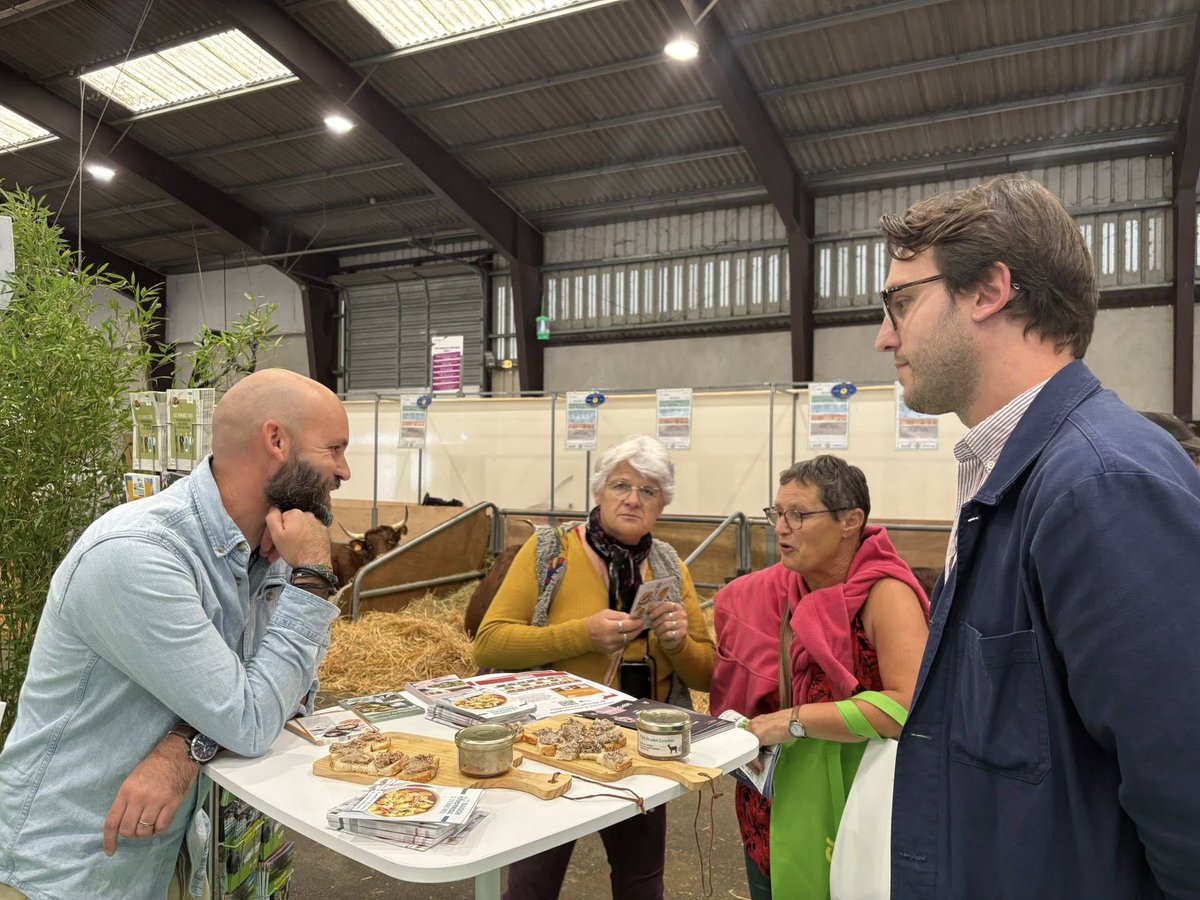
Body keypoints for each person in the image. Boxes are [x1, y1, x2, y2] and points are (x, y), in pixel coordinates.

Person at [873, 174, 1200, 897]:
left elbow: (1187, 798)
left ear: (990, 290)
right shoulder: (1019, 476)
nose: (884, 335)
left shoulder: (1100, 485)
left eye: (901, 302)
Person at [0, 368, 351, 900]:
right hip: (70, 869)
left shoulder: (273, 548)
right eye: (335, 449)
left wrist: (186, 744)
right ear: (276, 441)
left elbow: (293, 697)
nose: (344, 471)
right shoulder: (138, 555)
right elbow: (252, 720)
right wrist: (314, 579)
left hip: (175, 856)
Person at [473, 434, 714, 900]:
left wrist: (678, 643)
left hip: (641, 746)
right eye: (621, 485)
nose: (633, 499)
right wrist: (582, 635)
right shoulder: (551, 550)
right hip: (551, 745)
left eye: (648, 491)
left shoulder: (667, 563)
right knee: (533, 885)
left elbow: (705, 675)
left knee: (642, 883)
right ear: (599, 492)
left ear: (662, 505)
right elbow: (490, 644)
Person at [709, 455, 929, 899]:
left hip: (855, 807)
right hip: (769, 804)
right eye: (777, 513)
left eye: (799, 515)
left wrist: (794, 720)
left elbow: (909, 706)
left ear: (850, 520)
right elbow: (733, 678)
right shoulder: (775, 589)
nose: (781, 528)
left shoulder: (885, 594)